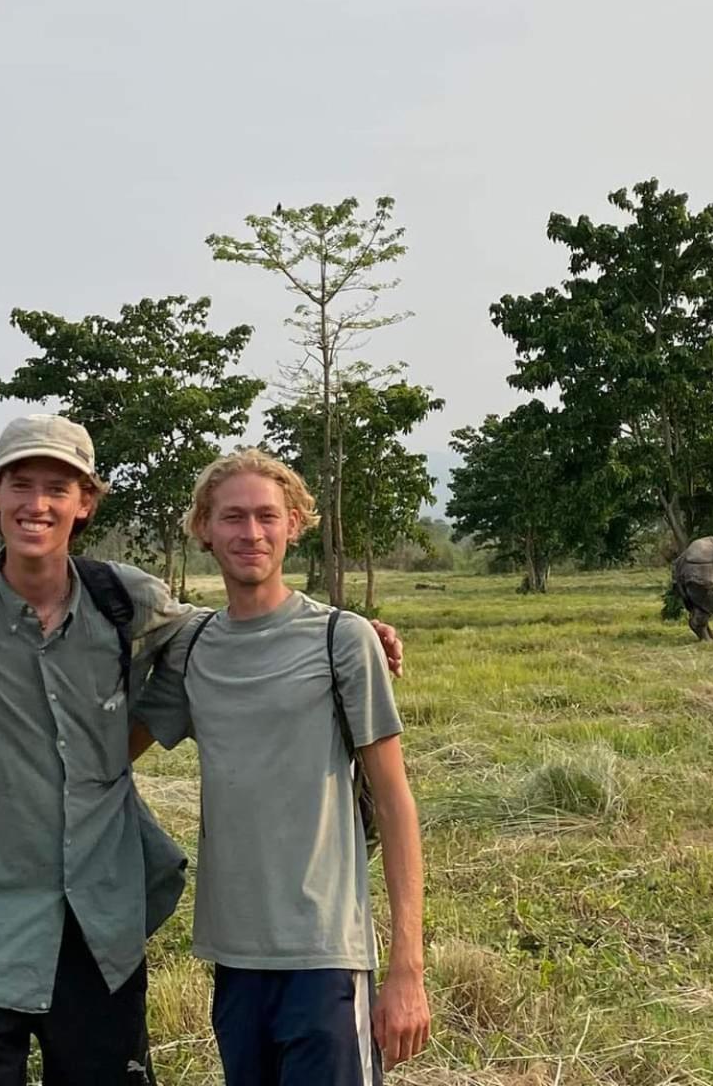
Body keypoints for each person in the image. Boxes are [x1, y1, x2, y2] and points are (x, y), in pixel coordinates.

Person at [0, 416, 401, 1085]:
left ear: (85, 503)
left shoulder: (121, 599)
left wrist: (347, 633)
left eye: (58, 488)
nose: (37, 504)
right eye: (21, 485)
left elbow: (228, 630)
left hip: (99, 944)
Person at [132, 450, 430, 1085]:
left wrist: (407, 967)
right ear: (202, 529)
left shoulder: (341, 640)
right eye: (232, 517)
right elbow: (107, 757)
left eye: (268, 516)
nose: (251, 533)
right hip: (232, 954)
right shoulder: (191, 648)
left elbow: (397, 802)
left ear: (296, 524)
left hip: (325, 953)